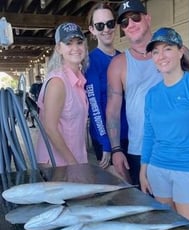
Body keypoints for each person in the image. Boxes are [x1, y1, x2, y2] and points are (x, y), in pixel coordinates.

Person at [140, 27, 189, 226]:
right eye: (156, 51)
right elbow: (149, 134)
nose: (161, 56)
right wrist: (144, 169)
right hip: (158, 169)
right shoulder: (152, 94)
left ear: (180, 51)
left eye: (167, 49)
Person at [106, 0, 162, 185]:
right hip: (139, 150)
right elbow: (113, 111)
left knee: (181, 209)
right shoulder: (118, 63)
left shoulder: (174, 52)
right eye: (124, 22)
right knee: (149, 209)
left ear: (148, 18)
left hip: (177, 147)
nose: (130, 25)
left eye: (135, 18)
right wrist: (116, 149)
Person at [35, 22, 89, 167]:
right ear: (59, 48)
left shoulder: (79, 81)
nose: (75, 48)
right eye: (68, 43)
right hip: (58, 164)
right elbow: (50, 128)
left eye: (79, 42)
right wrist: (73, 163)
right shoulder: (58, 82)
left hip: (74, 159)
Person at [85, 2, 129, 175]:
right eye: (100, 25)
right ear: (92, 30)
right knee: (121, 192)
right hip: (108, 139)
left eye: (110, 23)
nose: (106, 29)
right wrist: (106, 144)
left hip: (131, 136)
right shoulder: (90, 62)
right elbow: (94, 106)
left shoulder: (124, 58)